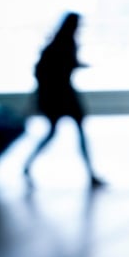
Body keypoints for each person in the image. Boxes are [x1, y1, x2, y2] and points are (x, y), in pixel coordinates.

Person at [23, 12, 104, 188]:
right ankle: (90, 173)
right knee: (73, 133)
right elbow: (55, 69)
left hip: (57, 96)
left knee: (57, 133)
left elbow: (44, 70)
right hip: (62, 96)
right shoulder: (65, 44)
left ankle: (28, 165)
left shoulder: (56, 44)